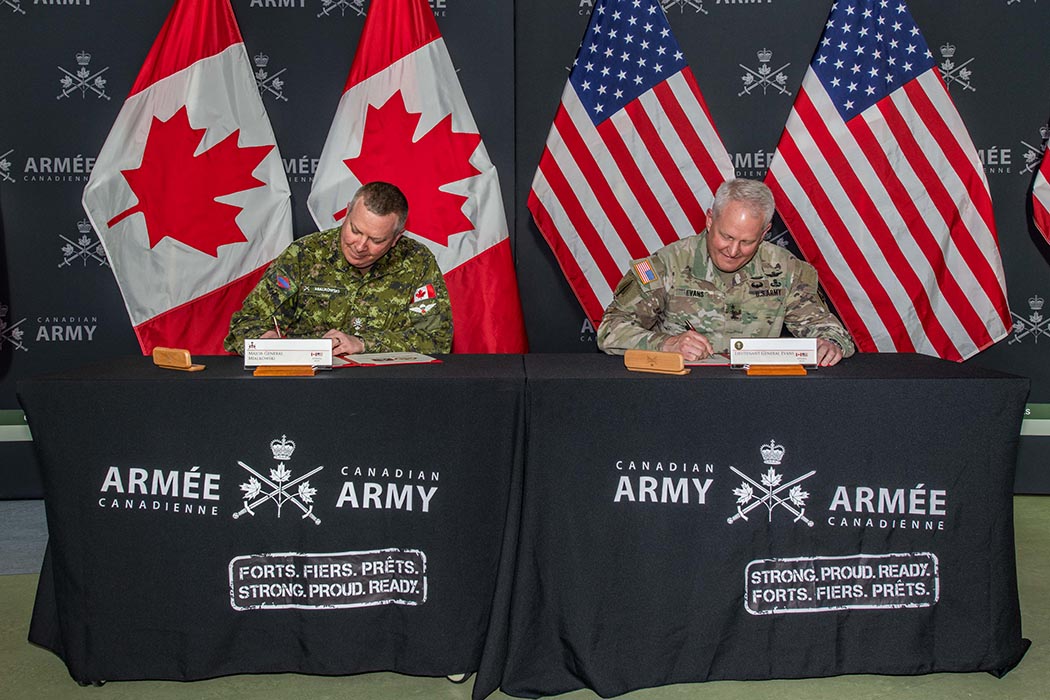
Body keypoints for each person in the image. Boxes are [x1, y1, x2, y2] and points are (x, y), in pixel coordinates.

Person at [597, 178, 854, 366]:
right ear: (710, 220)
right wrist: (666, 344)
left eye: (746, 242)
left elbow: (830, 332)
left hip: (758, 395)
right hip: (681, 394)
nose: (733, 250)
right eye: (726, 236)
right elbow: (610, 330)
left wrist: (828, 344)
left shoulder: (785, 270)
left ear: (765, 233)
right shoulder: (667, 265)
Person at [225, 181, 452, 355]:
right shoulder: (305, 255)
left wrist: (363, 344)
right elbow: (245, 322)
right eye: (355, 230)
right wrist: (266, 340)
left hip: (386, 392)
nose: (361, 246)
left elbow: (437, 339)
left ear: (396, 238)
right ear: (346, 212)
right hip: (308, 388)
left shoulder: (416, 262)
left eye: (376, 240)